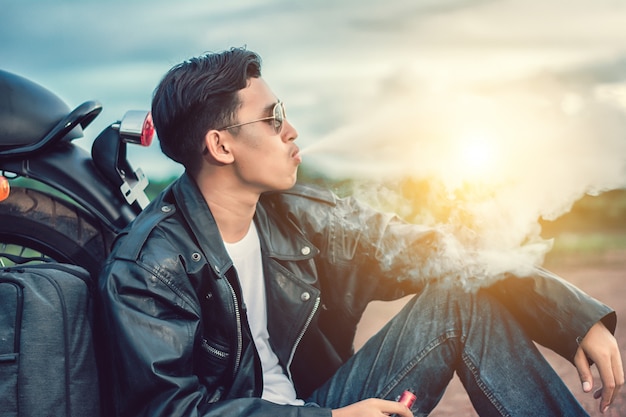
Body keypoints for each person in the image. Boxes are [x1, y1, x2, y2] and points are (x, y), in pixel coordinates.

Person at [97, 47, 623, 417]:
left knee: (460, 296)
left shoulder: (296, 215)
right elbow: (170, 412)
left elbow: (438, 252)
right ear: (221, 145)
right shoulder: (147, 266)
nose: (292, 129)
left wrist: (571, 318)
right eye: (273, 116)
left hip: (323, 406)